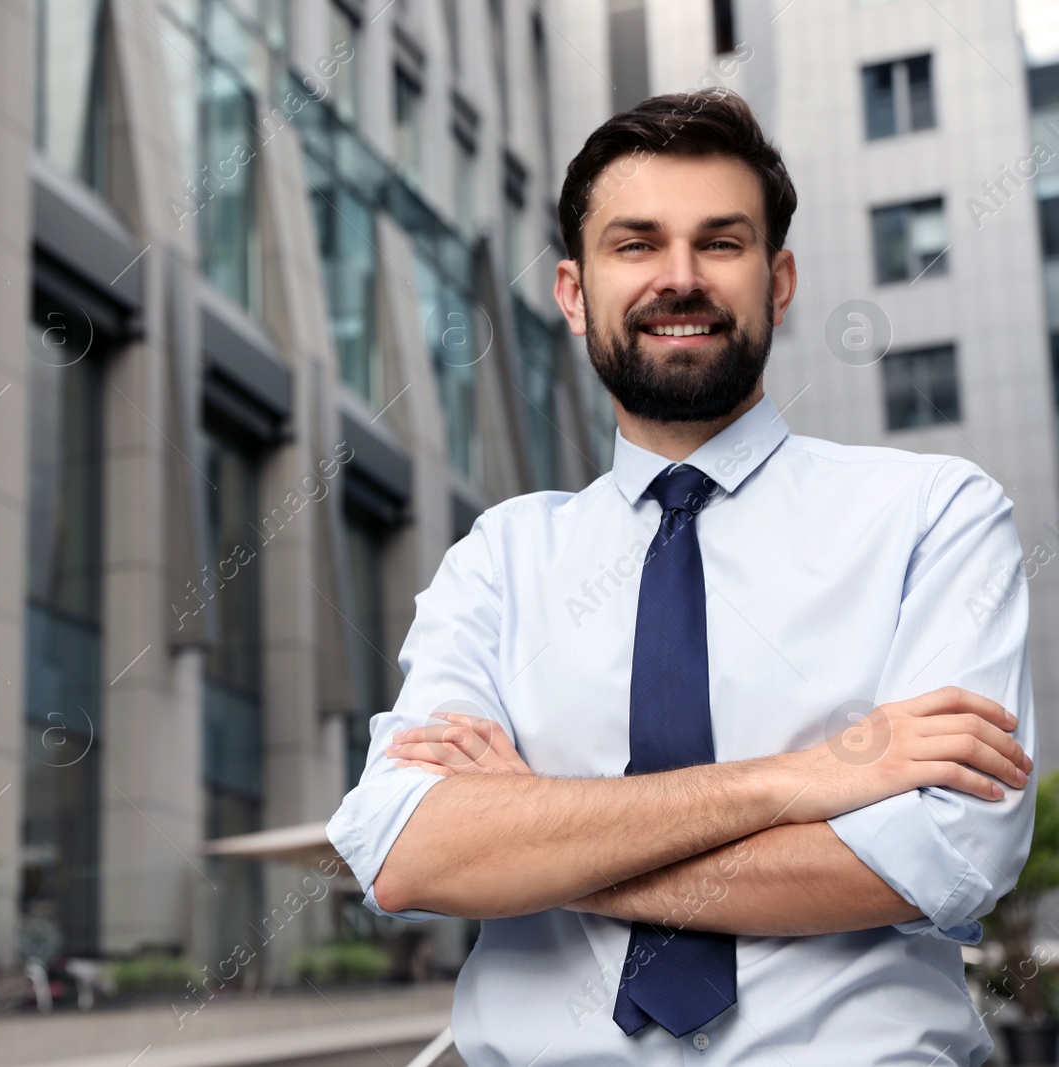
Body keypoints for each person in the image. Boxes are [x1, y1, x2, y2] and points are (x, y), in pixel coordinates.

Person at [325, 89, 1037, 1065]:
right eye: (635, 244)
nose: (679, 277)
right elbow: (407, 852)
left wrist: (533, 837)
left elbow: (941, 860)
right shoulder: (499, 557)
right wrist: (808, 776)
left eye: (720, 242)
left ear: (776, 279)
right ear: (573, 294)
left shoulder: (931, 512)